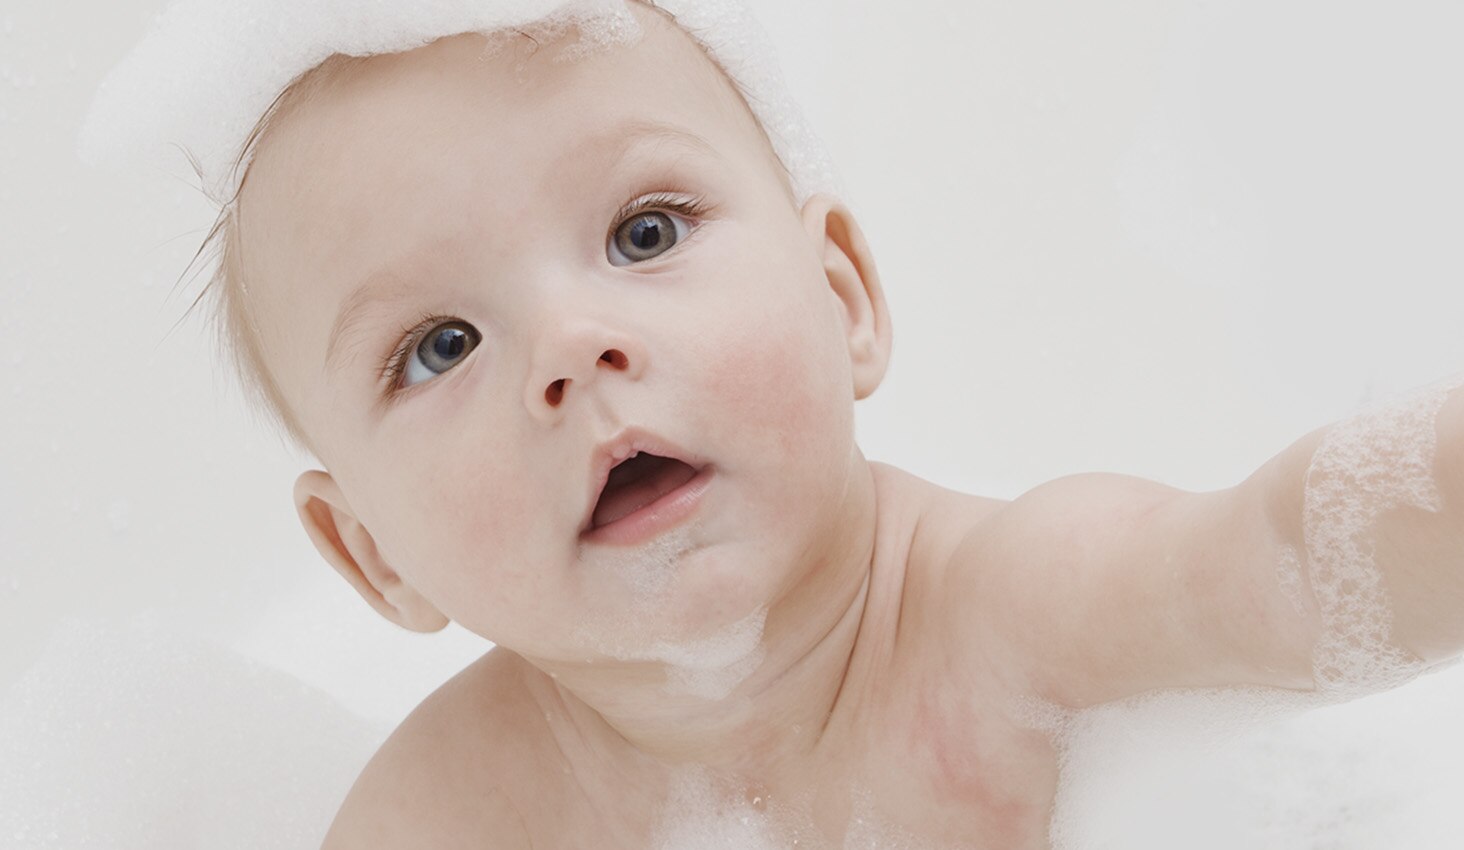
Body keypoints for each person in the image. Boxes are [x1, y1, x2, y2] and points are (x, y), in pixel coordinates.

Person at [113, 1, 1464, 846]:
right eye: (441, 345)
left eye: (644, 233)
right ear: (371, 557)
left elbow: (1279, 558)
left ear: (846, 299)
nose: (575, 349)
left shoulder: (1013, 608)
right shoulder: (453, 814)